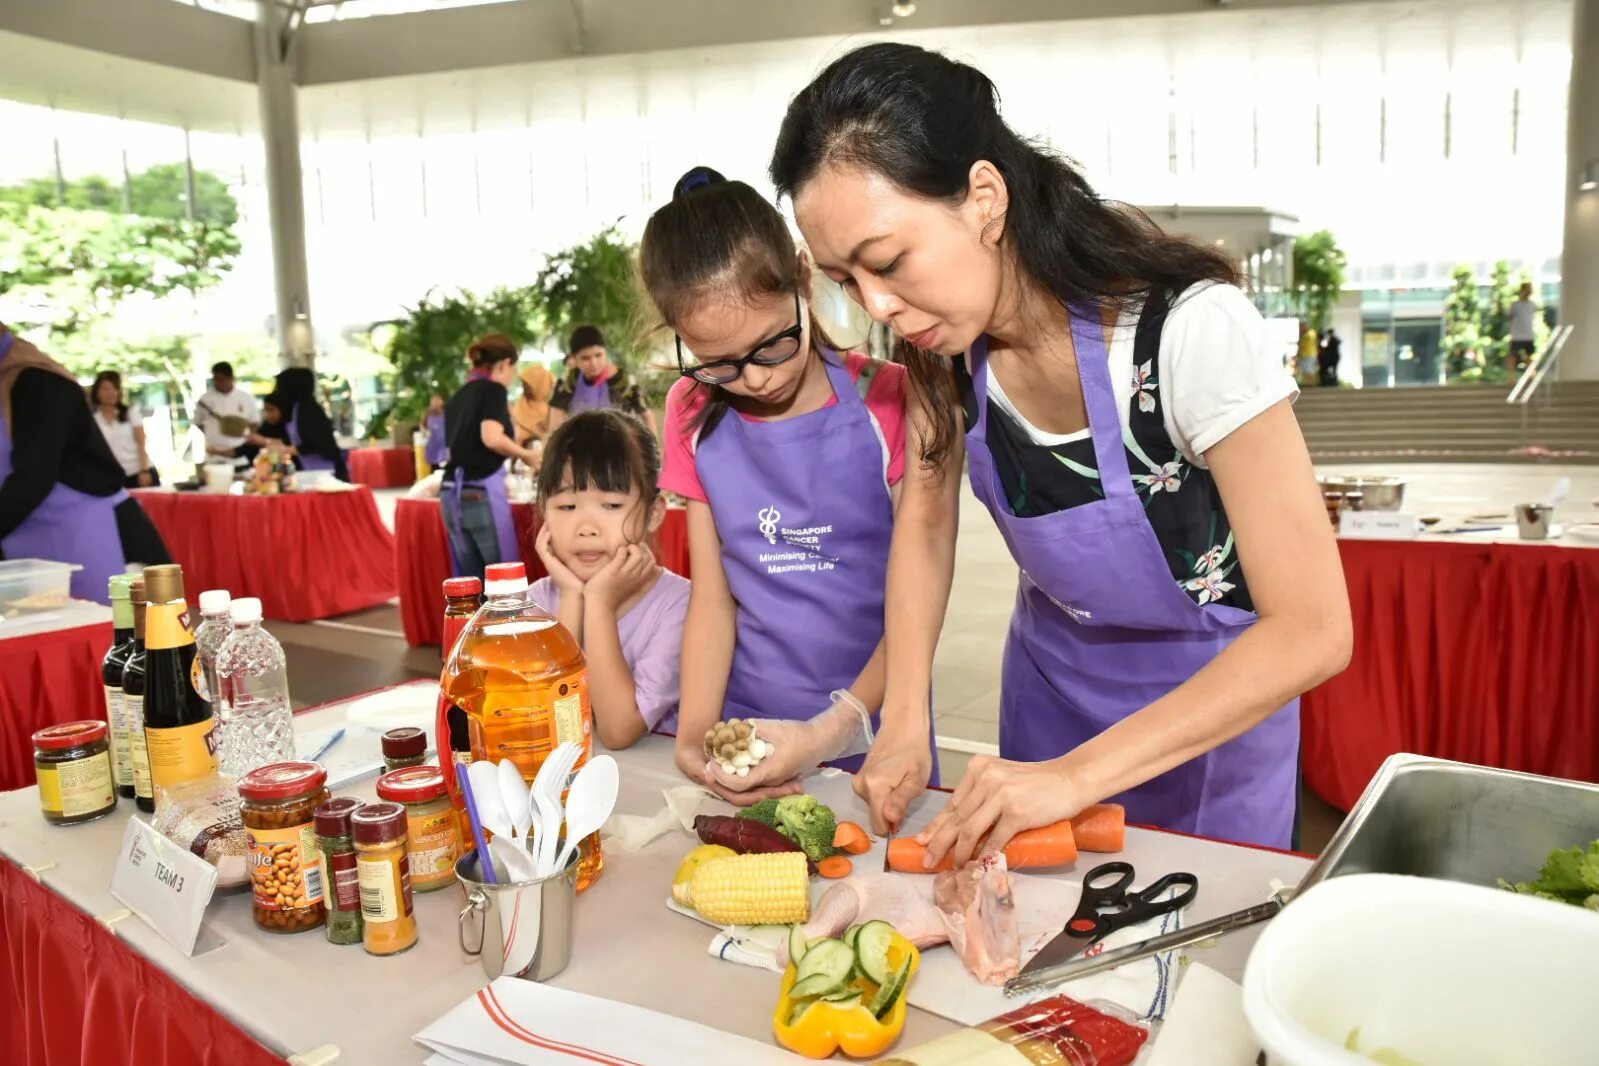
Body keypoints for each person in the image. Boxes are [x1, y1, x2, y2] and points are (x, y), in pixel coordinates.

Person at [770, 43, 1350, 856]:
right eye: (844, 280)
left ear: (983, 198)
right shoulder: (944, 355)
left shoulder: (1186, 333)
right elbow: (926, 526)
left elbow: (1314, 630)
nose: (878, 306)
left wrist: (1077, 778)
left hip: (1204, 721)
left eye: (888, 262)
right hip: (1050, 699)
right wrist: (900, 717)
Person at [643, 165, 956, 805]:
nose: (755, 380)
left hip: (875, 726)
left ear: (805, 279)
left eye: (772, 347)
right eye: (720, 362)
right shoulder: (690, 411)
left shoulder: (892, 400)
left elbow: (918, 597)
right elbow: (714, 596)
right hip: (751, 727)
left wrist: (828, 731)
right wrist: (697, 731)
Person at [529, 409, 691, 749]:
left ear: (653, 513)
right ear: (543, 510)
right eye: (567, 507)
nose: (587, 528)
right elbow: (539, 722)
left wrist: (599, 603)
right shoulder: (533, 603)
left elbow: (618, 731)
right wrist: (573, 599)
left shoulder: (679, 603)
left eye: (611, 505)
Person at [0, 323, 170, 603]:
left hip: (92, 535)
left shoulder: (37, 382)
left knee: (113, 637)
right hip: (29, 543)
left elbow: (34, 479)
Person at [441, 335, 540, 579]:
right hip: (480, 495)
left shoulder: (458, 396)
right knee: (502, 582)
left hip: (451, 495)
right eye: (513, 368)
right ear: (505, 364)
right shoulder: (494, 390)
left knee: (470, 583)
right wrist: (527, 455)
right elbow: (492, 437)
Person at [548, 326, 657, 436]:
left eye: (598, 355)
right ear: (574, 359)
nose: (593, 363)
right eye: (585, 358)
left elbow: (647, 417)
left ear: (606, 352)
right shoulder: (569, 381)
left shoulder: (625, 382)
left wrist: (652, 449)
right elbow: (555, 420)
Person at [272, 367, 348, 481]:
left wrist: (287, 450)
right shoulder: (296, 409)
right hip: (312, 470)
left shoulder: (308, 411)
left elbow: (315, 443)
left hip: (326, 471)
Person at [89, 371, 158, 487]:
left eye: (115, 388)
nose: (111, 393)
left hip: (140, 474)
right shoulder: (94, 420)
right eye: (105, 389)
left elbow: (141, 442)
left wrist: (144, 470)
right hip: (113, 478)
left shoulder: (130, 413)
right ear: (96, 392)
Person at [194, 361, 260, 468]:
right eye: (215, 379)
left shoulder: (246, 398)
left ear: (231, 378)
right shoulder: (205, 399)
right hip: (213, 457)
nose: (218, 383)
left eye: (221, 379)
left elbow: (254, 423)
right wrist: (214, 436)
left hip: (239, 458)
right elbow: (198, 423)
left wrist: (244, 437)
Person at [511, 365, 555, 450]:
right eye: (523, 384)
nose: (523, 387)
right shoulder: (521, 403)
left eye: (527, 384)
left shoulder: (551, 411)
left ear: (540, 384)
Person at [1509, 282, 1538, 372]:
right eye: (1527, 289)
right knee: (1513, 355)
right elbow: (1509, 317)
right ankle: (1511, 378)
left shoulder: (1533, 305)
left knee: (1529, 356)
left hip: (1529, 334)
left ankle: (1531, 376)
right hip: (1517, 335)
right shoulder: (1515, 305)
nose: (1529, 291)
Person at [422, 393, 448, 473]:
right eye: (434, 401)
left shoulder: (445, 413)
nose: (436, 403)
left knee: (444, 464)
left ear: (442, 402)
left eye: (438, 400)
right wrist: (425, 432)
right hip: (432, 442)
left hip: (443, 442)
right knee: (433, 466)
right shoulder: (427, 413)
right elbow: (422, 425)